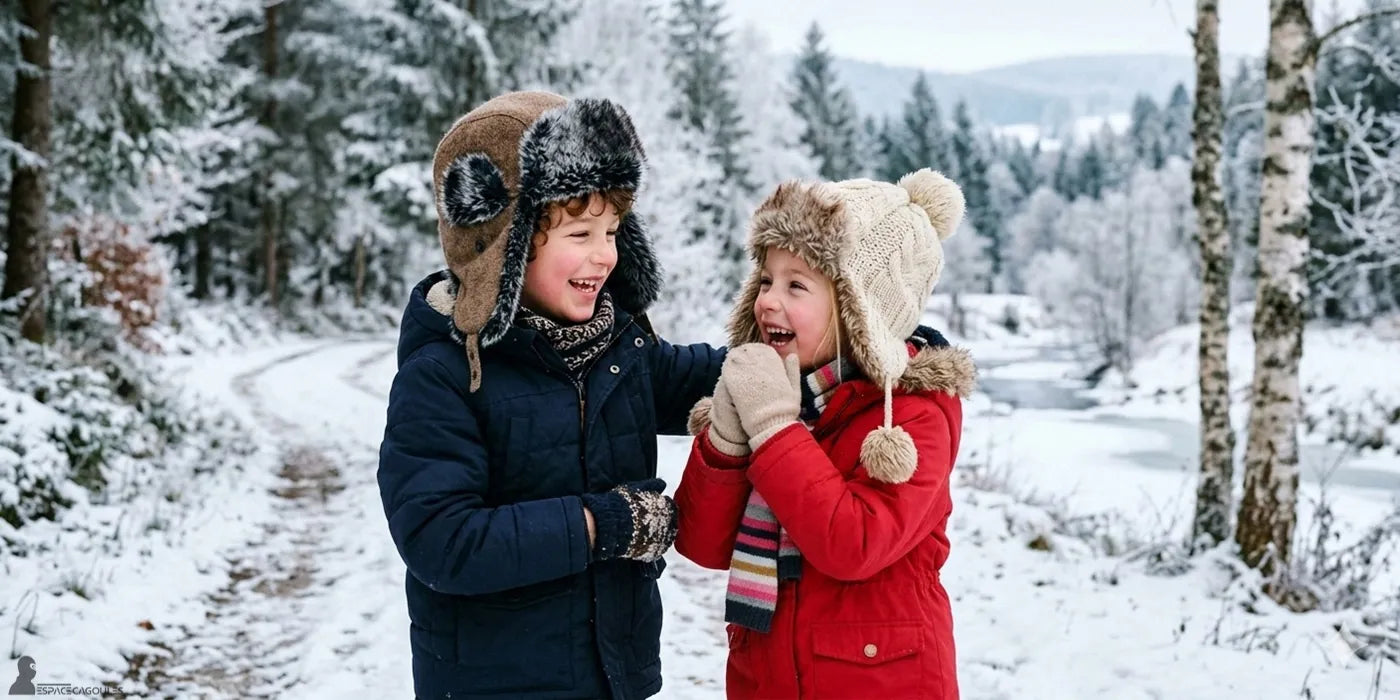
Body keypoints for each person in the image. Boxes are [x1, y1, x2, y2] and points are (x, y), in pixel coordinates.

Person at [378, 91, 724, 700]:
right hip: (496, 684)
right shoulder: (444, 374)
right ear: (501, 242)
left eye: (614, 231)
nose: (604, 255)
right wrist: (602, 525)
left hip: (614, 676)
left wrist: (850, 348)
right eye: (581, 232)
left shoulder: (619, 350)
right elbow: (443, 541)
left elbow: (719, 378)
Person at [675, 169, 976, 699]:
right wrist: (726, 434)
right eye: (766, 281)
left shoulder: (913, 417)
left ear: (862, 310)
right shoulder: (778, 394)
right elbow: (701, 543)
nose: (768, 301)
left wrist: (773, 428)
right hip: (767, 678)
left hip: (883, 682)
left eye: (797, 285)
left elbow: (852, 544)